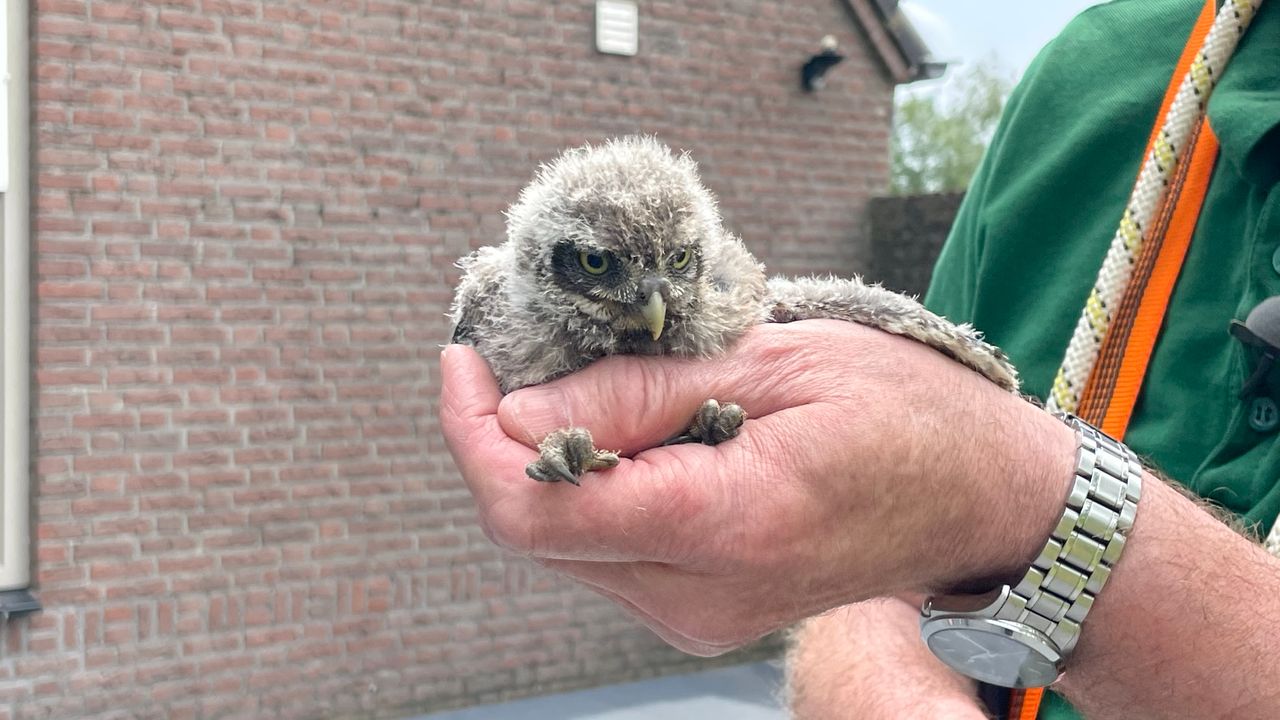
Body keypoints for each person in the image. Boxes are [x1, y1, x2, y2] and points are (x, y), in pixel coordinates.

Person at [439, 1, 1280, 717]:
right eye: (595, 265)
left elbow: (921, 409)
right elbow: (879, 538)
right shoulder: (1098, 78)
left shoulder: (723, 295)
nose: (655, 305)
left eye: (683, 269)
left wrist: (1023, 505)